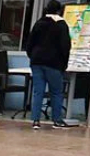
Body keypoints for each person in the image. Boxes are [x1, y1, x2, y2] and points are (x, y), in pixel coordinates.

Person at [25, 0, 71, 130]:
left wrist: (33, 56)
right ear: (59, 11)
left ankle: (35, 121)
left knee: (38, 91)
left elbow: (29, 43)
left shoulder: (39, 23)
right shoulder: (61, 25)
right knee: (56, 92)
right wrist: (64, 64)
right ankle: (57, 120)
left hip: (37, 61)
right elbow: (65, 46)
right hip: (54, 63)